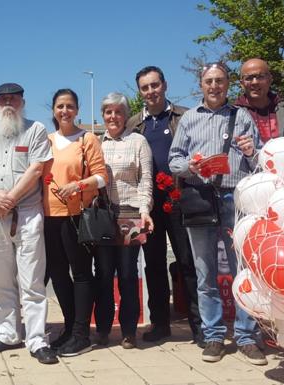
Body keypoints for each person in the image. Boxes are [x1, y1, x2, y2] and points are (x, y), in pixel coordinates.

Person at [168, 62, 266, 365]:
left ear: (228, 84)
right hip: (200, 197)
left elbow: (260, 162)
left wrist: (251, 152)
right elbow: (174, 161)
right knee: (205, 273)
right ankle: (213, 336)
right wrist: (190, 167)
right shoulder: (189, 120)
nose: (214, 86)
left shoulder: (242, 116)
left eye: (220, 81)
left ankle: (247, 337)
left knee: (244, 272)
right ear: (201, 85)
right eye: (209, 81)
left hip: (235, 200)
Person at [0, 82, 57, 364]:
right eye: (2, 99)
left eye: (13, 98)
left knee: (32, 280)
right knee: (0, 280)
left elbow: (36, 170)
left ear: (22, 101)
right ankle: (7, 334)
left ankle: (36, 340)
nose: (8, 103)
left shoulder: (36, 130)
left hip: (28, 214)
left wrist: (9, 199)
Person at [126, 66, 203, 345]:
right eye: (145, 87)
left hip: (179, 200)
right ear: (140, 92)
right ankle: (160, 324)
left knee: (188, 263)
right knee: (153, 265)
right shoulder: (135, 124)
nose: (151, 91)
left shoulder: (185, 117)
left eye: (155, 85)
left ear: (165, 85)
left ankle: (199, 326)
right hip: (146, 206)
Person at [42, 89, 108, 356]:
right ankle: (69, 328)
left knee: (81, 274)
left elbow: (102, 177)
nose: (64, 111)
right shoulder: (45, 141)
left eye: (69, 106)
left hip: (76, 217)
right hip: (48, 217)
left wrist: (78, 185)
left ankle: (81, 333)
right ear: (54, 110)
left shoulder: (87, 139)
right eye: (60, 106)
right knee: (58, 275)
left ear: (77, 110)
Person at [95, 92, 154, 349]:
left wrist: (145, 210)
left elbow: (146, 180)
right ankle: (104, 329)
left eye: (118, 111)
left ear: (126, 114)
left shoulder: (138, 141)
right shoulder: (96, 143)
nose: (113, 117)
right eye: (108, 112)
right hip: (104, 215)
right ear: (103, 116)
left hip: (131, 214)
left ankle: (129, 331)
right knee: (104, 274)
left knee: (129, 274)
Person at [235, 58, 284, 142]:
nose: (255, 82)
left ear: (270, 79)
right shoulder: (233, 116)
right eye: (249, 78)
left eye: (260, 76)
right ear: (242, 84)